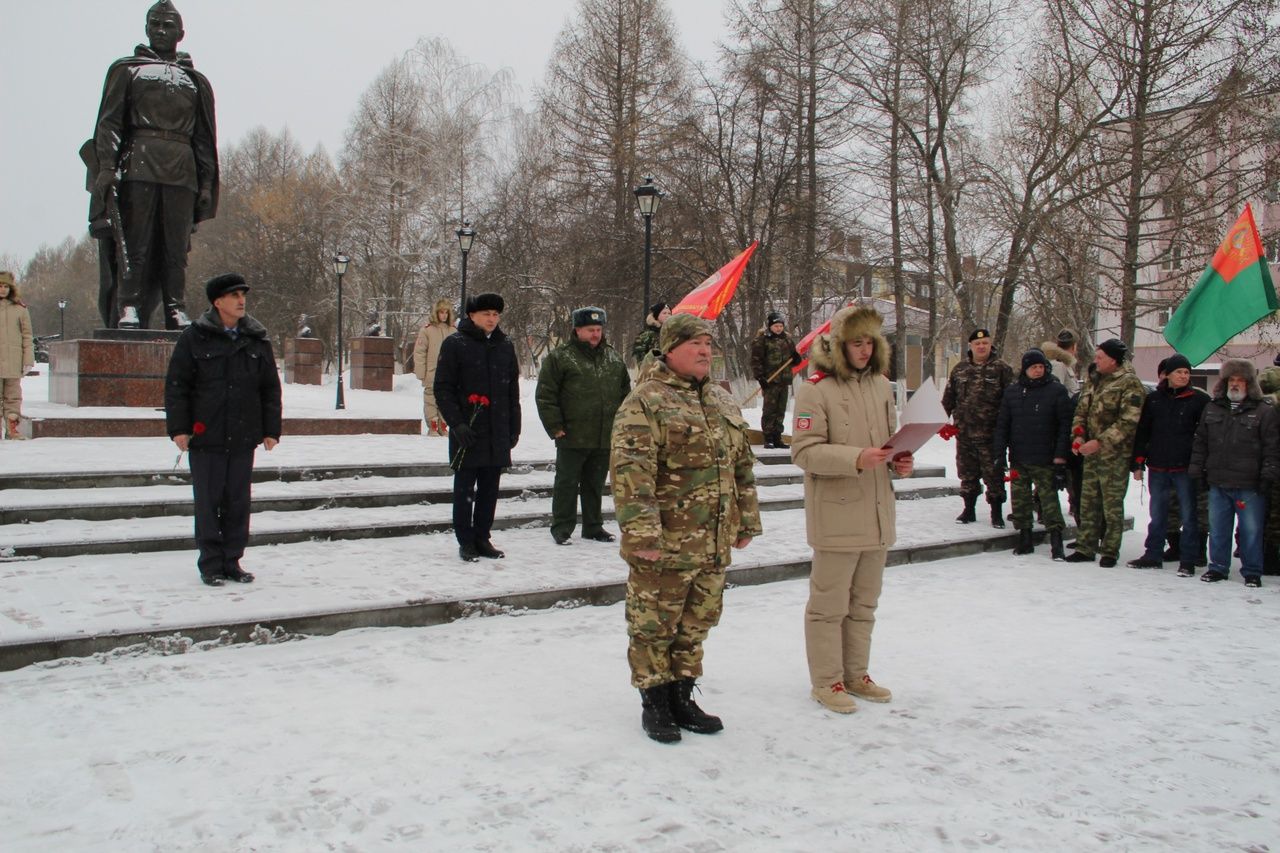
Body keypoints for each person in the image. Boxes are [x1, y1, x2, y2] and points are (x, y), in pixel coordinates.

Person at [611, 313, 762, 743]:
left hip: (712, 541)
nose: (704, 352)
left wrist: (747, 519)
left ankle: (682, 694)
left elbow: (742, 468)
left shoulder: (722, 401)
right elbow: (630, 474)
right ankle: (655, 700)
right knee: (654, 623)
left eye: (709, 345)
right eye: (695, 344)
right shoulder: (646, 401)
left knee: (697, 622)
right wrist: (643, 536)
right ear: (670, 349)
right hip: (665, 543)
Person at [790, 304, 914, 714]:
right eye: (856, 343)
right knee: (828, 607)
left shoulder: (880, 385)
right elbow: (805, 453)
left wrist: (900, 461)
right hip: (837, 516)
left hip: (877, 514)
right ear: (839, 346)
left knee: (864, 606)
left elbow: (888, 441)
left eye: (869, 343)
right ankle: (827, 681)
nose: (864, 350)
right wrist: (856, 458)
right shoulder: (815, 389)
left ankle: (856, 674)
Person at [91, 0, 218, 330]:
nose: (161, 31)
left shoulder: (195, 81)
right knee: (136, 242)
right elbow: (110, 123)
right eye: (155, 25)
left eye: (168, 25)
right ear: (147, 29)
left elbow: (204, 138)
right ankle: (129, 306)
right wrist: (107, 166)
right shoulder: (128, 70)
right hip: (139, 164)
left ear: (181, 33)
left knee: (175, 247)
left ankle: (175, 307)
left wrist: (205, 184)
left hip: (182, 169)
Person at [165, 273, 281, 586]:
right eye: (234, 296)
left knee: (238, 501)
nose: (241, 301)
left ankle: (232, 560)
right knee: (208, 501)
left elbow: (270, 388)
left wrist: (271, 430)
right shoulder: (195, 337)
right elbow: (177, 386)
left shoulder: (257, 338)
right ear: (218, 302)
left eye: (243, 295)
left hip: (243, 436)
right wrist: (179, 428)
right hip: (207, 435)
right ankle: (211, 564)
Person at [434, 292, 521, 562]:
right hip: (469, 430)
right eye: (486, 314)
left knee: (489, 489)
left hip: (496, 430)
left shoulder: (504, 345)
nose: (492, 319)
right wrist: (457, 423)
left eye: (496, 315)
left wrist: (513, 427)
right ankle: (466, 540)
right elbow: (443, 388)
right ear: (472, 315)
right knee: (465, 488)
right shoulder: (455, 344)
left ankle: (483, 536)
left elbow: (512, 390)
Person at [536, 306, 631, 545]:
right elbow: (546, 395)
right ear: (577, 330)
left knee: (595, 483)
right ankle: (562, 527)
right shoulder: (560, 357)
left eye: (598, 329)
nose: (596, 334)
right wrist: (555, 426)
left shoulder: (613, 357)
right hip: (572, 433)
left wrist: (622, 424)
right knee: (567, 483)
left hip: (604, 434)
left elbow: (624, 393)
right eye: (590, 330)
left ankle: (593, 526)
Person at [1188, 359, 1279, 588]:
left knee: (1251, 531)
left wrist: (1268, 475)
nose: (1236, 384)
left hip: (1250, 484)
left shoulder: (1264, 411)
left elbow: (1272, 447)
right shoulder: (1212, 408)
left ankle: (1252, 571)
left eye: (1241, 380)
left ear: (1250, 384)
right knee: (1218, 529)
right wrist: (1197, 471)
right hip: (1218, 481)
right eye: (1232, 380)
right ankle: (1217, 567)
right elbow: (1201, 443)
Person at [1064, 338, 1145, 567]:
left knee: (1111, 505)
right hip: (1090, 454)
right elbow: (1081, 411)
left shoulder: (1130, 383)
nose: (1096, 361)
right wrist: (1078, 435)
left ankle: (1109, 550)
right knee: (1088, 502)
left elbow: (1128, 421)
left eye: (1100, 357)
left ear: (1113, 359)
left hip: (1114, 456)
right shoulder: (1094, 381)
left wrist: (1099, 442)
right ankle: (1086, 546)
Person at [1128, 353, 1209, 574]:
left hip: (1185, 466)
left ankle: (1189, 559)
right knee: (1157, 513)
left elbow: (1206, 434)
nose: (1184, 376)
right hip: (1158, 465)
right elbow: (1143, 431)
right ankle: (1153, 553)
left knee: (1189, 515)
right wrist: (1137, 462)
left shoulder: (1199, 400)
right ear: (1168, 375)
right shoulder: (1154, 399)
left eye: (1186, 372)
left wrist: (1202, 463)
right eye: (1179, 372)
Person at [992, 348, 1072, 559]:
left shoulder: (1056, 391)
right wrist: (999, 453)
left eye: (1040, 367)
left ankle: (1056, 539)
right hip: (1019, 456)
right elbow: (1003, 425)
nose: (1037, 371)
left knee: (1049, 500)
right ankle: (1025, 536)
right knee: (1020, 500)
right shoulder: (1013, 392)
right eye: (1033, 367)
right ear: (1025, 369)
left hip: (1045, 457)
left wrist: (1060, 456)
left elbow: (1065, 426)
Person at [943, 328, 1013, 527]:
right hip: (964, 433)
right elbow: (949, 398)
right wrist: (941, 420)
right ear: (971, 346)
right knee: (967, 473)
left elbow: (1011, 401)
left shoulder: (1002, 369)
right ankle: (969, 509)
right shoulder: (959, 369)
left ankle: (996, 513)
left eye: (985, 343)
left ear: (991, 345)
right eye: (977, 344)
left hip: (991, 435)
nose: (981, 347)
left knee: (994, 475)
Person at [750, 311, 800, 449]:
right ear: (770, 326)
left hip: (784, 380)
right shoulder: (762, 340)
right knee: (769, 410)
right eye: (776, 326)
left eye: (781, 326)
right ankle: (768, 437)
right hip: (770, 380)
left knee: (781, 410)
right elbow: (756, 361)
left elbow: (793, 359)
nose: (779, 328)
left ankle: (778, 437)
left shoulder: (787, 340)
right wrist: (760, 377)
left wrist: (796, 358)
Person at [413, 298, 456, 436]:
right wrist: (421, 372)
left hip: (449, 373)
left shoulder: (453, 331)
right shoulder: (427, 330)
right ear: (436, 313)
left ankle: (443, 425)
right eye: (441, 312)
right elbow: (420, 352)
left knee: (446, 399)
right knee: (431, 399)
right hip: (432, 372)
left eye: (446, 312)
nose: (444, 315)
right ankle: (432, 425)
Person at [0, 272, 34, 440]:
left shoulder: (20, 309)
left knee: (13, 396)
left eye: (6, 286)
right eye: (0, 286)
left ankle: (12, 428)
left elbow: (27, 336)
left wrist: (28, 359)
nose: (3, 290)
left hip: (13, 360)